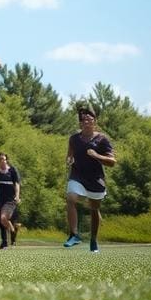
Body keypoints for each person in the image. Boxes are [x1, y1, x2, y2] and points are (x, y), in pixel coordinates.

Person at [64, 105, 115, 253]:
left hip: (95, 179)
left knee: (94, 209)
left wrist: (97, 156)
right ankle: (74, 235)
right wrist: (69, 160)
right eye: (84, 120)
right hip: (77, 175)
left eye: (89, 119)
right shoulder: (73, 139)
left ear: (95, 122)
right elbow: (69, 154)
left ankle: (93, 240)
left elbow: (112, 162)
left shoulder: (102, 139)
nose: (87, 121)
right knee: (70, 198)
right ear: (80, 123)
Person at [0, 152, 21, 249]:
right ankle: (4, 243)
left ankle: (12, 232)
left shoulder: (12, 170)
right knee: (2, 220)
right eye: (0, 159)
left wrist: (17, 196)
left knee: (4, 218)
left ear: (6, 160)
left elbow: (17, 184)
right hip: (0, 200)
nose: (2, 161)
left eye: (3, 159)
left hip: (11, 199)